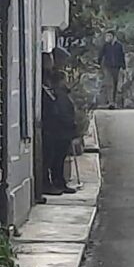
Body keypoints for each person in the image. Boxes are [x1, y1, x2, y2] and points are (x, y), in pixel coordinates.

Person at [40, 66, 77, 196]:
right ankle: (55, 182)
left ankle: (59, 182)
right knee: (55, 159)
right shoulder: (58, 94)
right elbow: (61, 112)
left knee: (59, 159)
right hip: (59, 130)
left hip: (63, 130)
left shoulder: (61, 93)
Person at [97, 30, 126, 109]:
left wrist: (123, 67)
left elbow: (121, 56)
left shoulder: (119, 45)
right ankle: (110, 102)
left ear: (113, 36)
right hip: (108, 66)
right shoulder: (105, 45)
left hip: (116, 67)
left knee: (116, 84)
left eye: (109, 36)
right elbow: (101, 54)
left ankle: (114, 101)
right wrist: (98, 63)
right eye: (106, 36)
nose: (107, 38)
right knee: (110, 84)